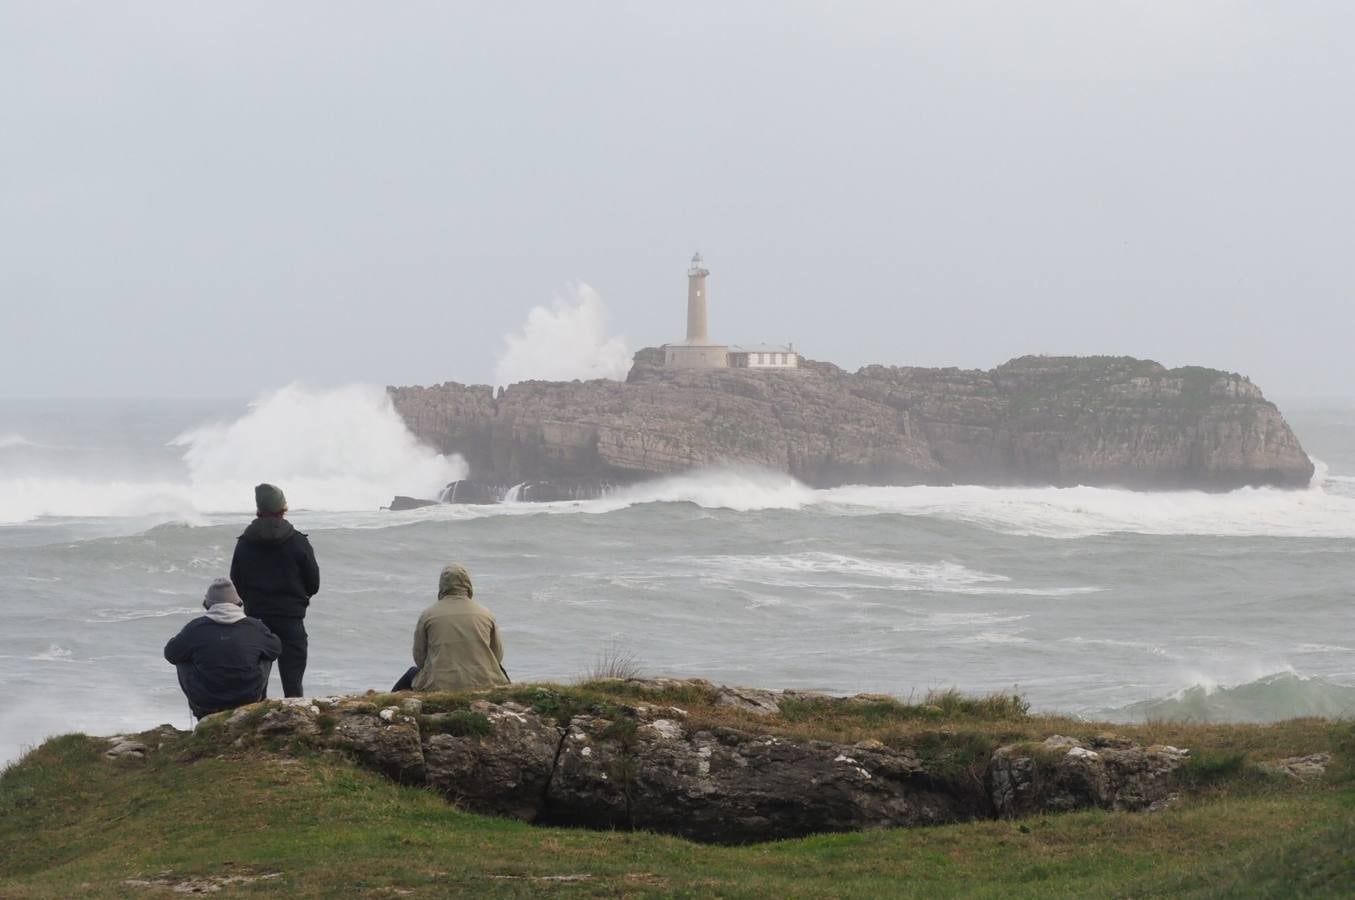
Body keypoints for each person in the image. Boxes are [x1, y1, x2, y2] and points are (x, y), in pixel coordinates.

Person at [229, 483, 320, 697]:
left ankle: (257, 722)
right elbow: (313, 583)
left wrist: (252, 601)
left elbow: (236, 580)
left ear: (259, 508)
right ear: (283, 508)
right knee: (293, 683)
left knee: (258, 684)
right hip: (291, 617)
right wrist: (299, 598)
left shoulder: (244, 543)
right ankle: (295, 720)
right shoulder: (298, 541)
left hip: (257, 617)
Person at [165, 577, 281, 719]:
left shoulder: (195, 628)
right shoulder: (255, 627)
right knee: (266, 652)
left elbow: (170, 654)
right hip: (247, 699)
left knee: (181, 656)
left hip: (206, 702)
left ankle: (201, 714)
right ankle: (257, 703)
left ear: (207, 604)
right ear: (238, 603)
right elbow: (276, 649)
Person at [392, 563, 509, 692]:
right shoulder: (485, 613)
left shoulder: (427, 615)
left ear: (442, 585)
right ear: (468, 584)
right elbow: (497, 655)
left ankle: (387, 706)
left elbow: (419, 659)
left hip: (439, 684)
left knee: (411, 673)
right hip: (485, 682)